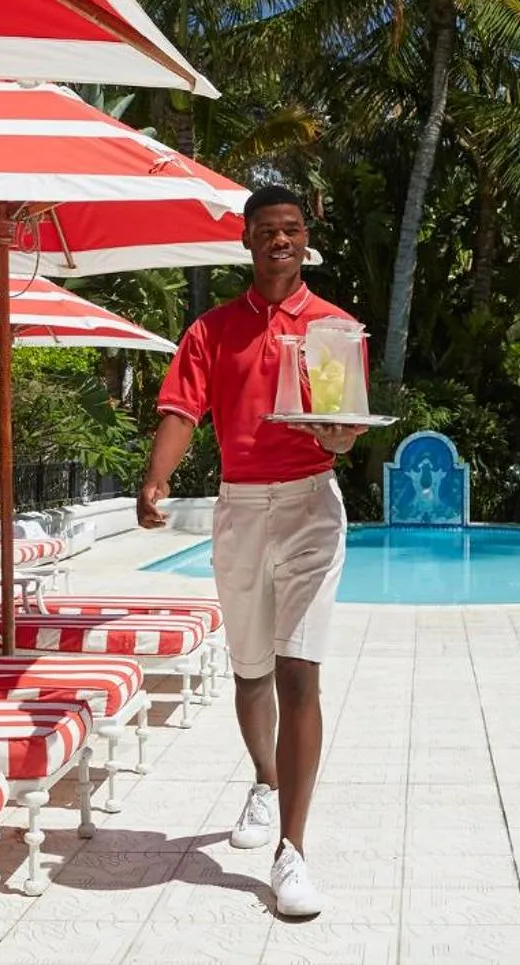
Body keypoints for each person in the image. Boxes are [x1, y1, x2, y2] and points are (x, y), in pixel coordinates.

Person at [137, 184, 365, 920]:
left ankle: (291, 852)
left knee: (301, 672)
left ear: (306, 240)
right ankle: (264, 781)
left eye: (292, 230)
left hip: (309, 504)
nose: (280, 242)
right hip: (240, 507)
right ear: (246, 241)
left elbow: (343, 420)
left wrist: (342, 437)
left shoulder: (334, 325)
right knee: (251, 670)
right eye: (266, 231)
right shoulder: (211, 330)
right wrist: (157, 476)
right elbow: (181, 409)